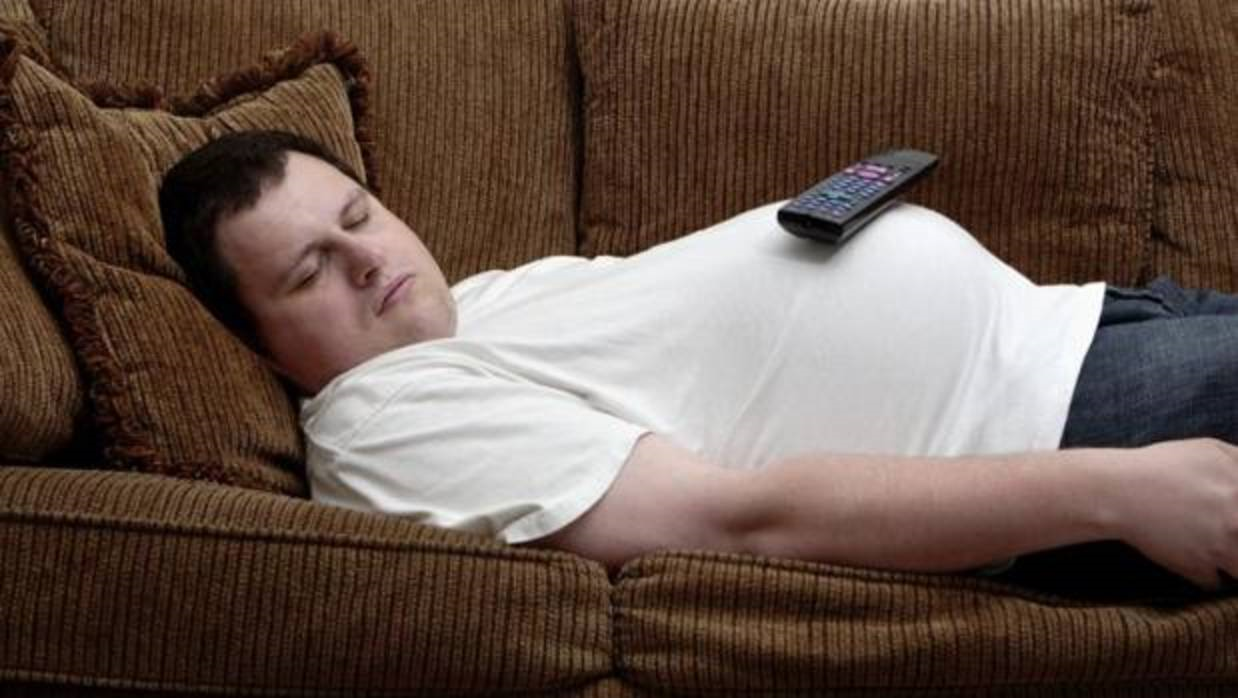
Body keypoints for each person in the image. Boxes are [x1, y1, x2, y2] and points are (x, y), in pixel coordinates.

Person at [159, 130, 1238, 598]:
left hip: (1087, 323)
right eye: (310, 270)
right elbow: (735, 521)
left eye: (358, 217)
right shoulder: (386, 423)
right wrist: (1115, 489)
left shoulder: (477, 307)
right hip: (1068, 426)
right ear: (259, 344)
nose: (366, 259)